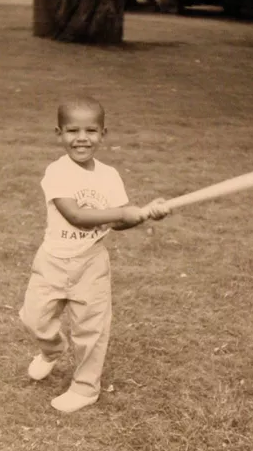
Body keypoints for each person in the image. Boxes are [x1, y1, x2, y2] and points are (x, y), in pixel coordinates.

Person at [19, 97, 169, 413]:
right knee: (34, 318)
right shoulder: (57, 172)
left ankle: (85, 388)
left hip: (91, 262)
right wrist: (125, 212)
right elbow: (74, 214)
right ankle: (51, 350)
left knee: (92, 328)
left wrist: (142, 216)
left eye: (91, 130)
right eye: (72, 130)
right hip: (53, 261)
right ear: (58, 134)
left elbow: (116, 222)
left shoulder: (109, 176)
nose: (82, 137)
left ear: (103, 133)